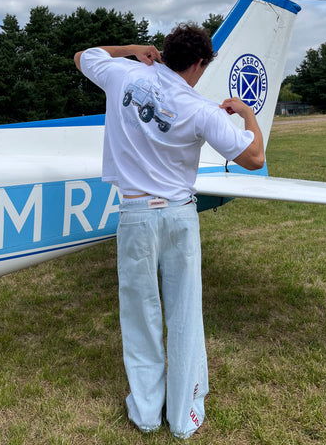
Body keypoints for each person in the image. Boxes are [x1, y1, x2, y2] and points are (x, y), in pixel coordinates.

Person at [74, 23, 264, 439]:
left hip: (135, 214)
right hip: (179, 215)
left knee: (139, 315)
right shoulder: (201, 108)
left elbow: (83, 56)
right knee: (184, 314)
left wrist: (131, 49)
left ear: (163, 53)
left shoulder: (124, 73)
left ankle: (145, 413)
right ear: (198, 63)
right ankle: (183, 416)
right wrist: (247, 113)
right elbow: (254, 158)